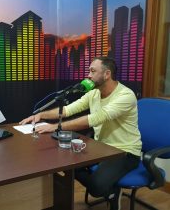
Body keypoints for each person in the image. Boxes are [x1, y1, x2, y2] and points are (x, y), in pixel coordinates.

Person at [20, 56, 142, 210]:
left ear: (107, 74)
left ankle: (111, 192)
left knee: (97, 188)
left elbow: (96, 118)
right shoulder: (94, 93)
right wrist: (41, 115)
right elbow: (68, 110)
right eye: (88, 71)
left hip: (124, 152)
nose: (88, 75)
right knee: (62, 164)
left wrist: (56, 127)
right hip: (101, 148)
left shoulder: (125, 95)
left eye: (92, 71)